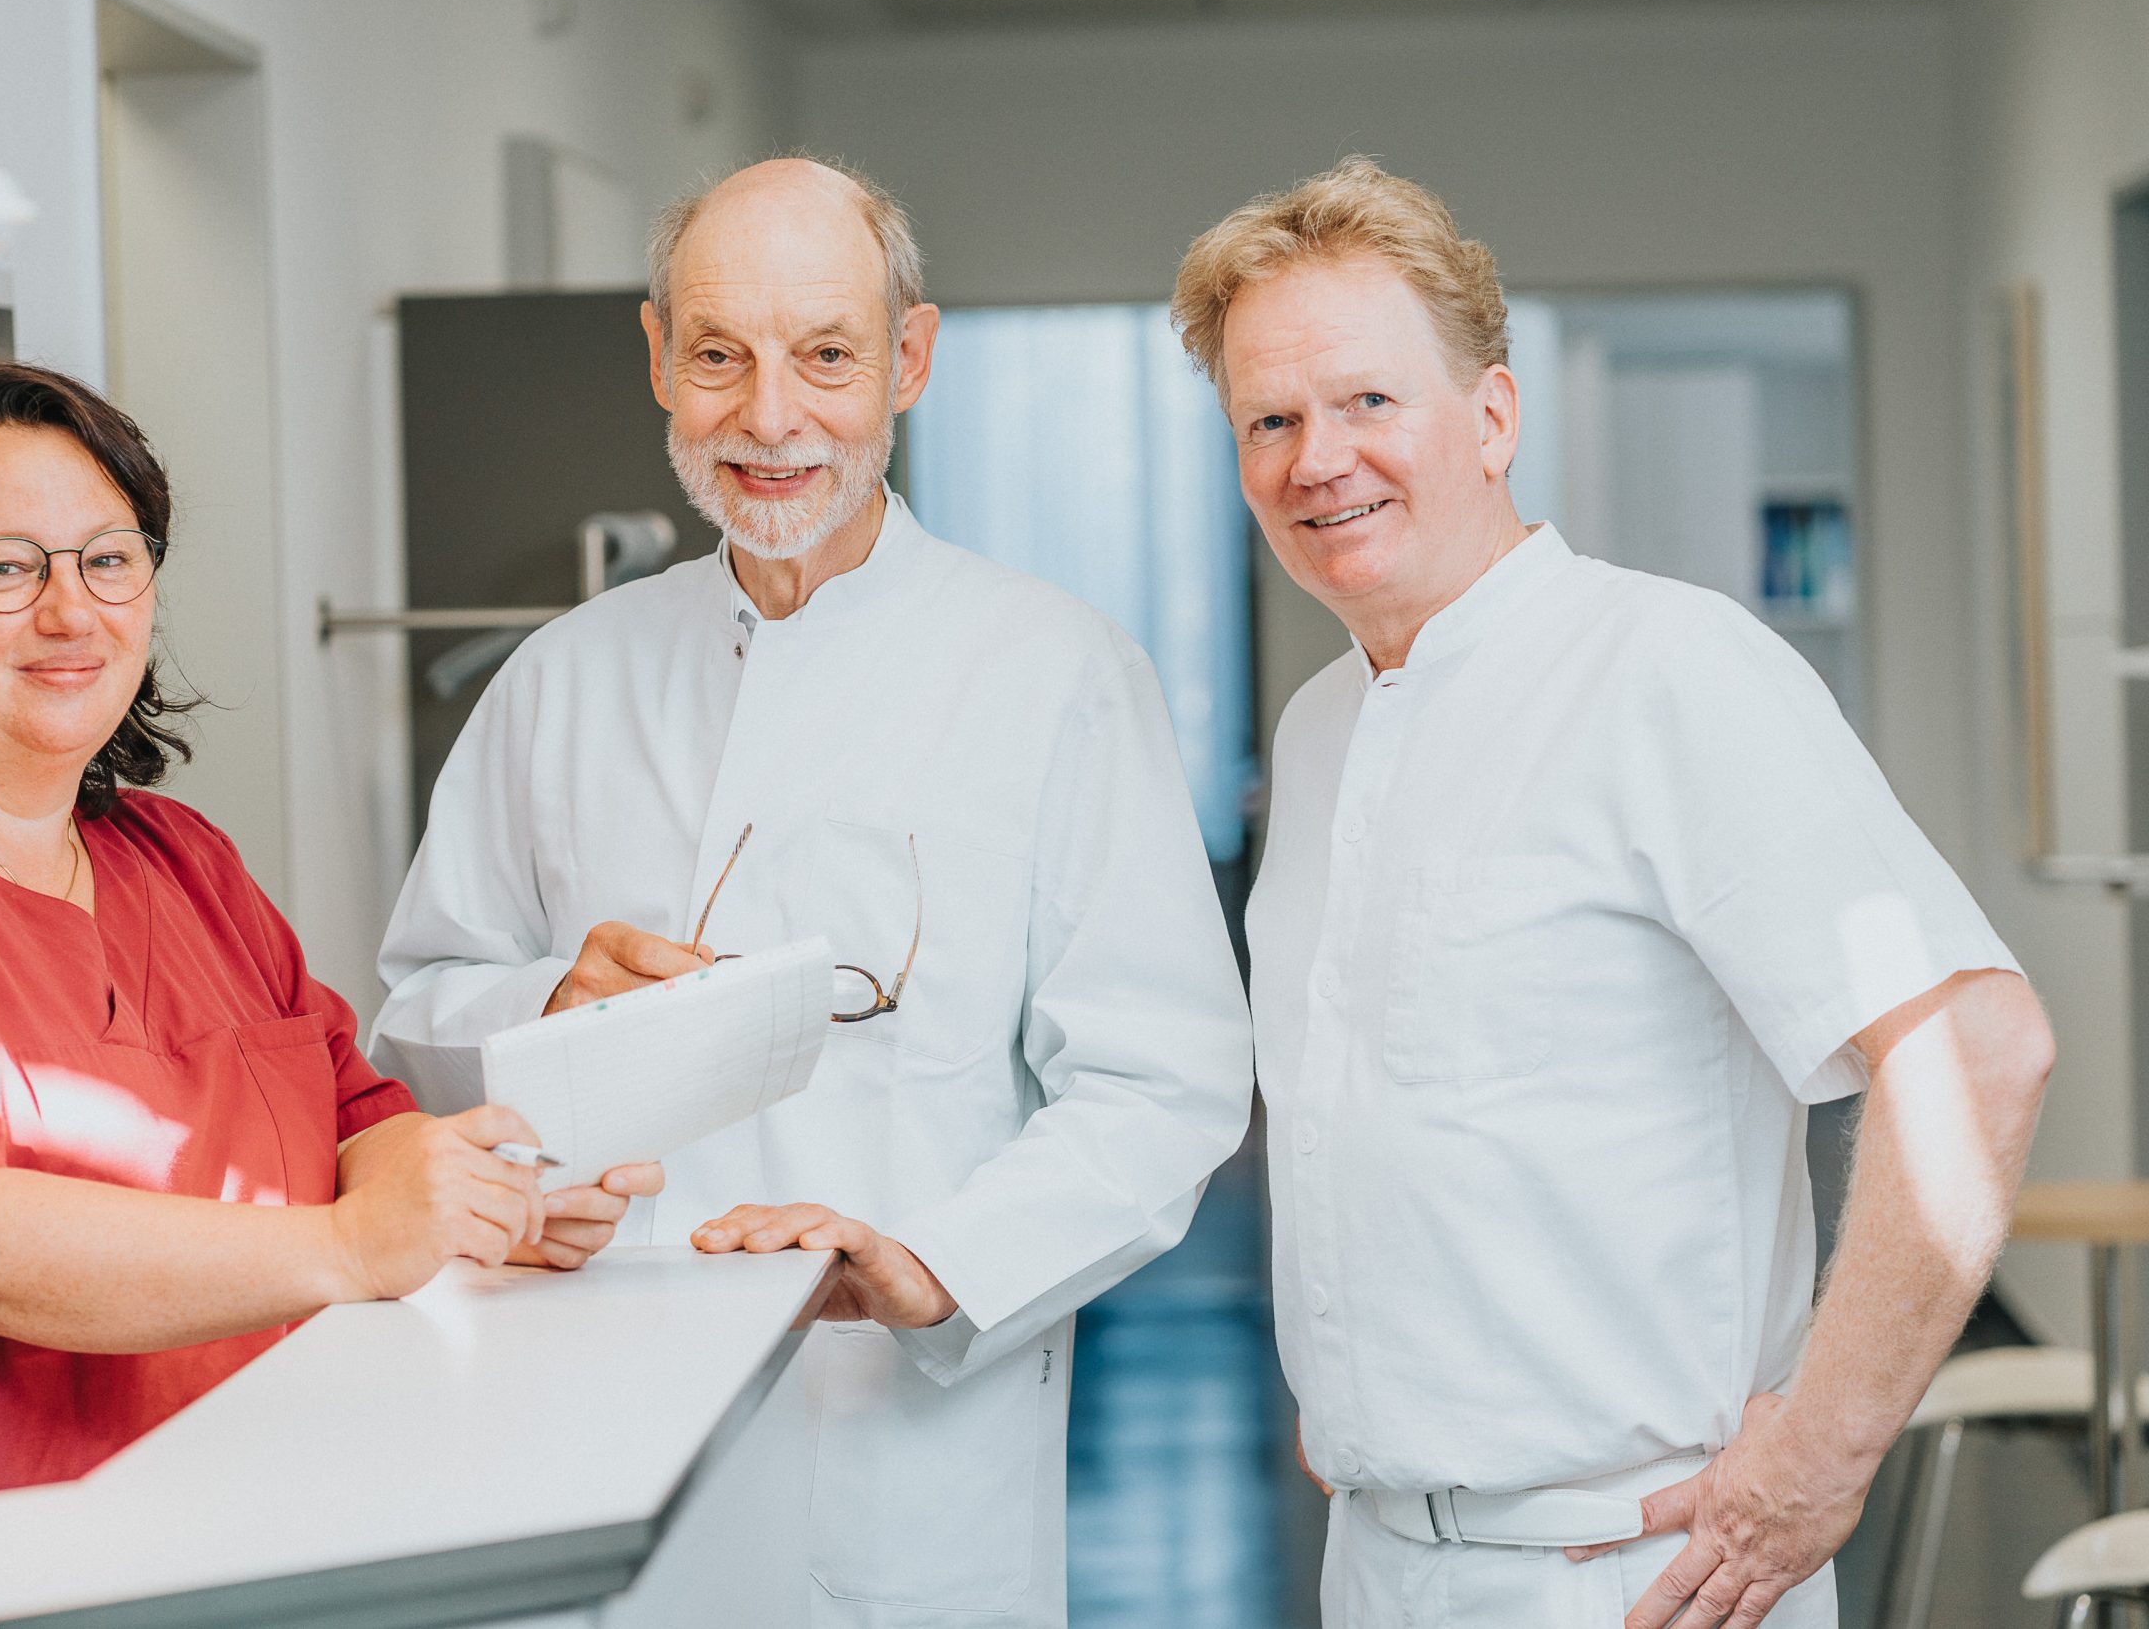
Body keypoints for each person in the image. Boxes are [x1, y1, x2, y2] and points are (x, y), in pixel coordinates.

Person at [1170, 156, 2055, 1628]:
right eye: (1270, 420)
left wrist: (1821, 1457)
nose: (1317, 458)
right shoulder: (1321, 732)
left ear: (1493, 418)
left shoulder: (1668, 674)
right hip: (1381, 1559)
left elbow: (1977, 1046)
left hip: (1638, 1573)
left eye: (1368, 400)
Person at [369, 157, 1255, 1626]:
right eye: (720, 356)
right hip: (588, 1427)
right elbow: (417, 1014)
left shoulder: (1053, 675)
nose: (770, 417)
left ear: (909, 359)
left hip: (905, 1456)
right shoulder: (560, 680)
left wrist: (938, 1266)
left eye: (827, 356)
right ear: (658, 359)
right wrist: (546, 1005)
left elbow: (1164, 1083)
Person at [0, 360, 655, 1502]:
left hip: (237, 1512)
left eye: (109, 560)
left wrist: (473, 1199)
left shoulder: (184, 861)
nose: (71, 611)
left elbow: (358, 1123)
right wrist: (354, 1246)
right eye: (4, 568)